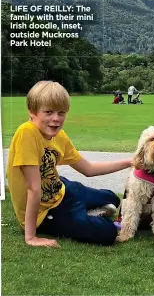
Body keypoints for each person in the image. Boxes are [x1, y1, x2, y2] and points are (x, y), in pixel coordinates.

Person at [6, 80, 132, 248]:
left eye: (61, 113)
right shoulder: (26, 133)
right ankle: (84, 215)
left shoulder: (60, 136)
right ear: (32, 112)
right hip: (46, 211)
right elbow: (34, 189)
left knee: (112, 198)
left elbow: (88, 169)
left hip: (63, 189)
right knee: (107, 233)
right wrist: (31, 237)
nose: (56, 119)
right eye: (48, 112)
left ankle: (86, 211)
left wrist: (130, 162)